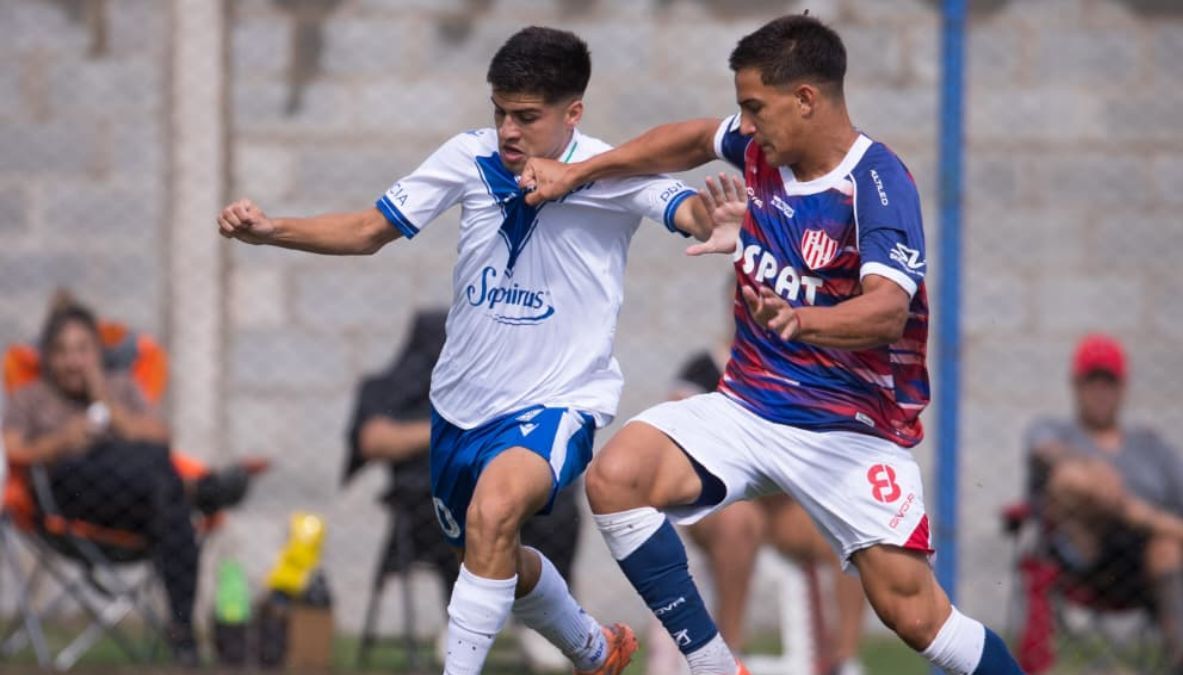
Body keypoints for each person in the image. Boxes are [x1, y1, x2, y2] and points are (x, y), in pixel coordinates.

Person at [520, 14, 1023, 675]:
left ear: (806, 99)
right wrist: (580, 170)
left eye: (755, 107)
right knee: (617, 477)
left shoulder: (875, 183)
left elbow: (888, 310)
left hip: (847, 432)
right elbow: (694, 138)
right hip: (747, 408)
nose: (745, 125)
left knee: (915, 617)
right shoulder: (761, 148)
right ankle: (715, 665)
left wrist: (803, 320)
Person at [218, 26, 728, 675]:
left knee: (493, 511)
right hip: (459, 412)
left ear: (573, 113)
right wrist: (271, 231)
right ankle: (596, 649)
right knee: (492, 556)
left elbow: (684, 207)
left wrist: (717, 220)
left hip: (557, 404)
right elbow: (371, 228)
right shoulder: (468, 157)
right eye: (499, 111)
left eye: (527, 116)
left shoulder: (611, 171)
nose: (508, 130)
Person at [344, 308, 585, 672]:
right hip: (429, 504)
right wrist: (450, 431)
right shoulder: (390, 387)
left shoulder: (497, 386)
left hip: (508, 503)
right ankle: (460, 617)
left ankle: (541, 619)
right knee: (457, 510)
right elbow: (373, 439)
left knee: (554, 504)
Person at [646, 284, 866, 675]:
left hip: (780, 505)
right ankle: (728, 654)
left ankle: (844, 659)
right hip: (719, 505)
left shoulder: (796, 369)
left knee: (852, 528)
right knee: (738, 523)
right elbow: (677, 444)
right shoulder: (703, 369)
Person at [1, 302, 200, 664]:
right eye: (61, 352)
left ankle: (182, 629)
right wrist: (62, 440)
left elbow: (160, 435)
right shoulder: (33, 395)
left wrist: (105, 401)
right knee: (167, 487)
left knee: (162, 484)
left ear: (98, 353)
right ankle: (183, 633)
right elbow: (11, 448)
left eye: (82, 350)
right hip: (71, 495)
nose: (73, 362)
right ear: (47, 358)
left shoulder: (119, 387)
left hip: (136, 503)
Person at [1026, 333, 1183, 668]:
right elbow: (1047, 456)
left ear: (1122, 388)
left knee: (1167, 544)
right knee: (1073, 479)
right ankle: (1156, 522)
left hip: (1145, 563)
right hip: (1082, 554)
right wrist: (1101, 476)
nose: (1100, 392)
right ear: (1076, 386)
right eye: (1092, 382)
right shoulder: (1053, 430)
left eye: (1109, 383)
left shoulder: (1150, 445)